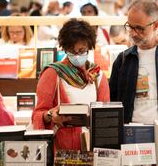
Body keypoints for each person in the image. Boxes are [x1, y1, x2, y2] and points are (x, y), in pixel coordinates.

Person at [31, 19, 110, 150]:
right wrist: (51, 115)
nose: (77, 55)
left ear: (89, 48)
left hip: (92, 147)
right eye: (72, 51)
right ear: (65, 48)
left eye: (81, 50)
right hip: (62, 148)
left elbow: (105, 114)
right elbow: (38, 114)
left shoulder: (97, 75)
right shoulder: (52, 73)